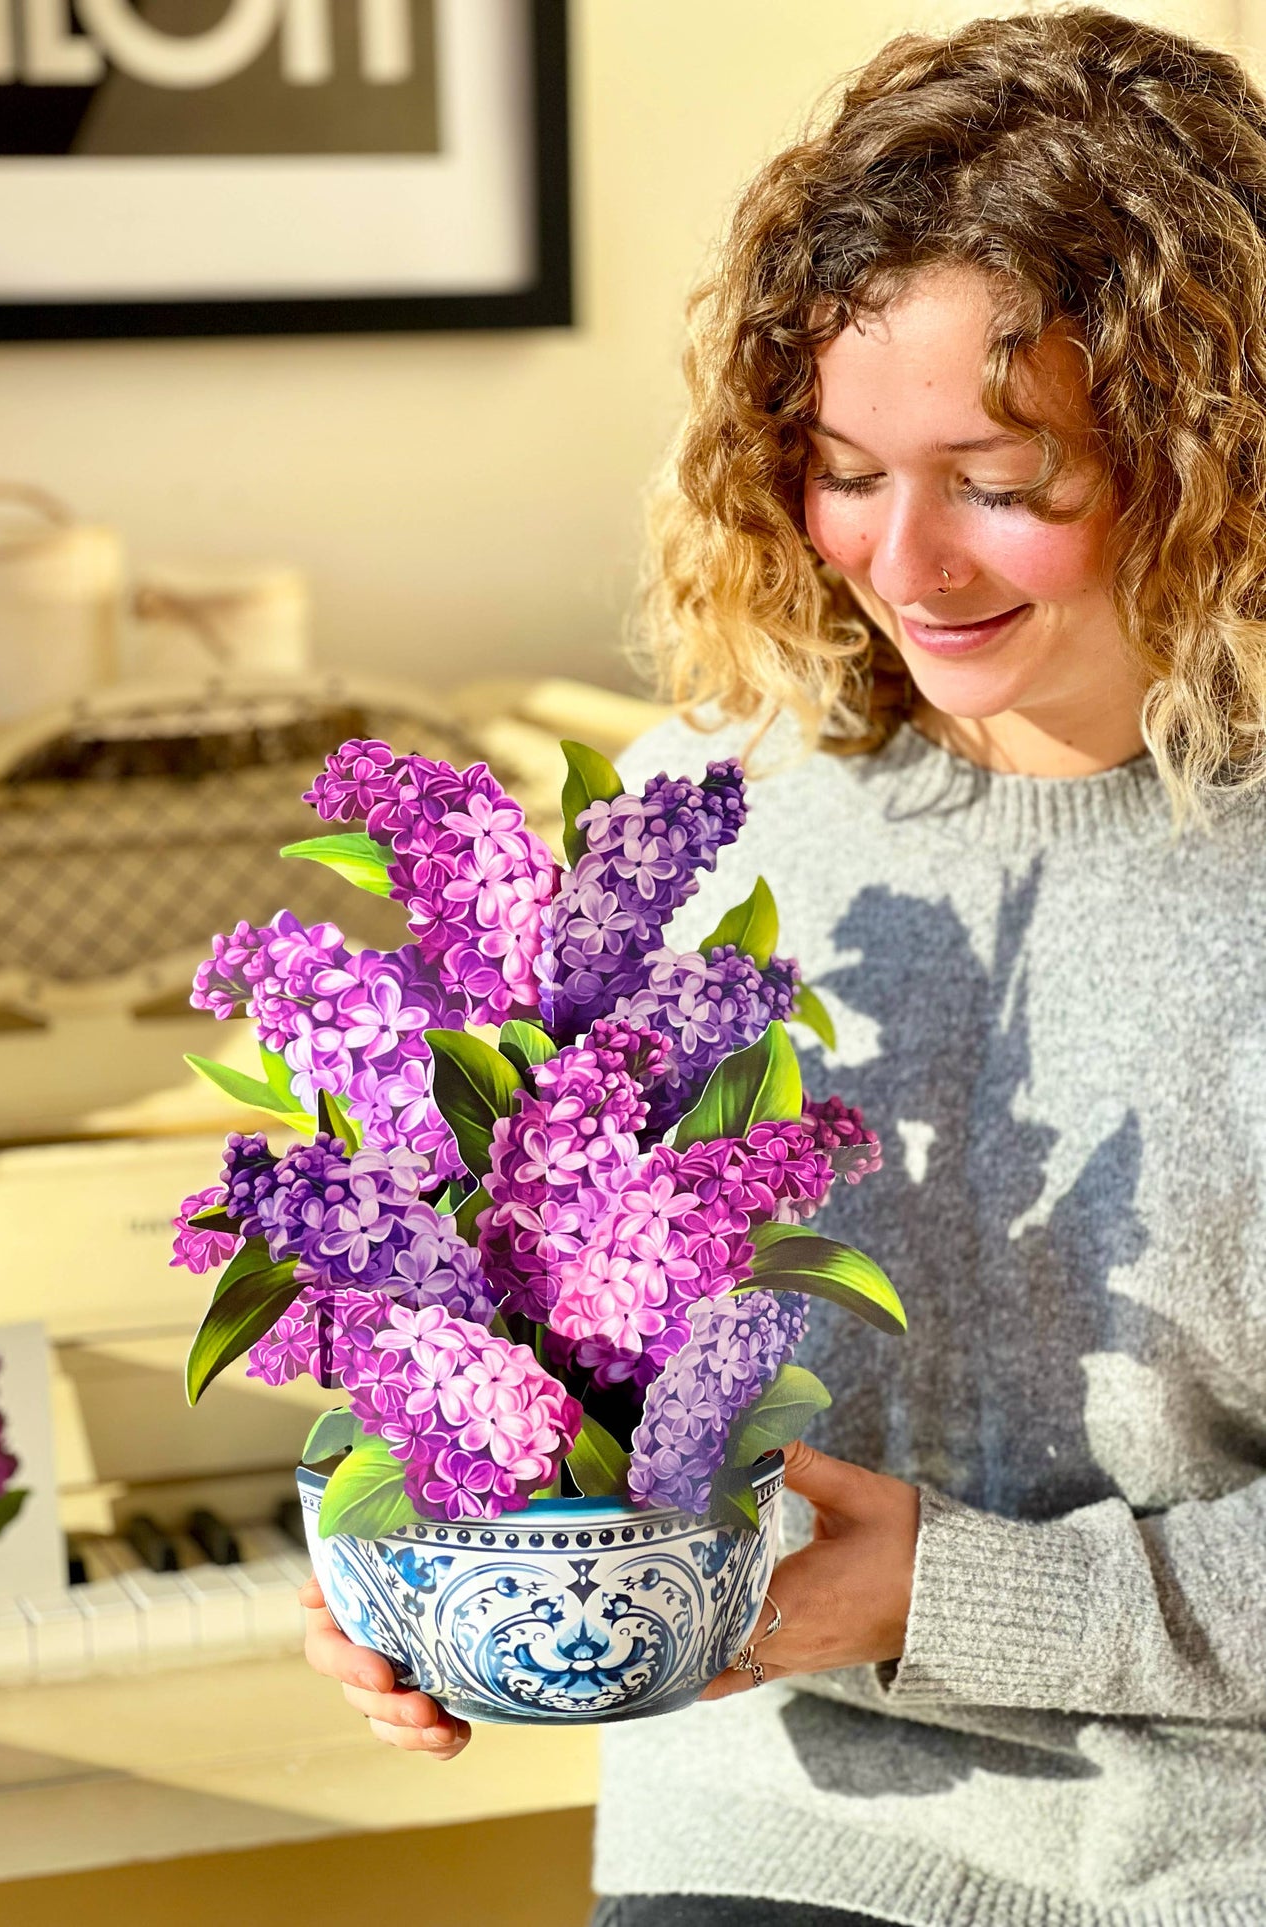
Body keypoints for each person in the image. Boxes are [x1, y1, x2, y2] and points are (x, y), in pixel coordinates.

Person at [302, 8, 1266, 1922]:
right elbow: (491, 1323)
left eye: (1000, 477)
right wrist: (391, 1540)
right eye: (838, 468)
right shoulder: (695, 820)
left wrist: (947, 1587)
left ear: (1209, 454)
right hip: (750, 1831)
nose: (901, 562)